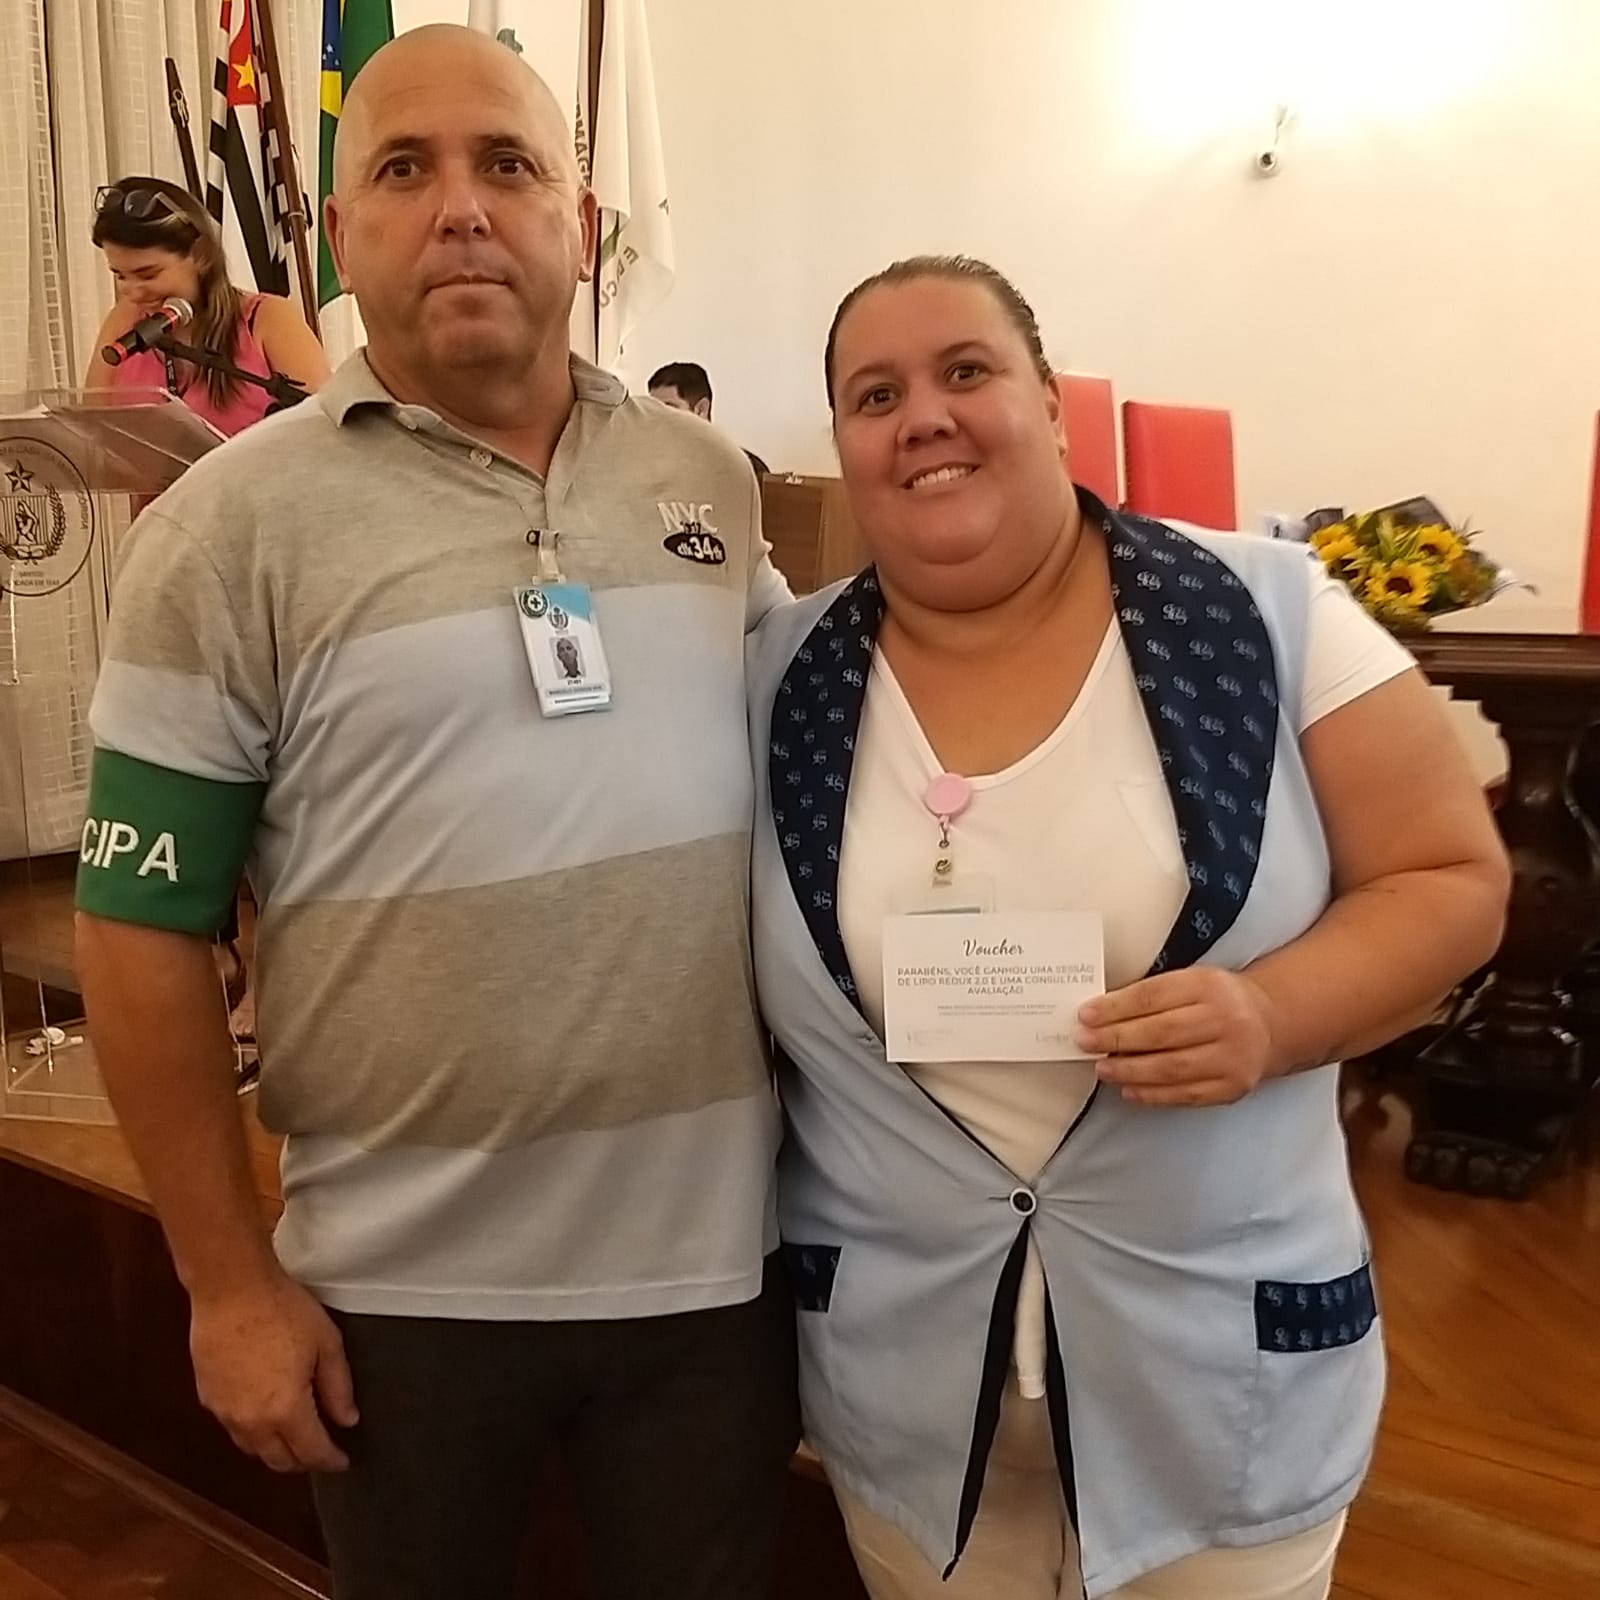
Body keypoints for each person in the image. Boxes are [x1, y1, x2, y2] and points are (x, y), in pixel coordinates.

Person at [75, 26, 795, 1600]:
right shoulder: (224, 531)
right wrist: (226, 1285)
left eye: (507, 164)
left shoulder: (710, 485)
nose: (462, 206)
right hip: (397, 1301)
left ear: (579, 221)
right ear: (343, 236)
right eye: (406, 168)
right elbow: (136, 925)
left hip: (711, 1278)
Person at [747, 257, 1509, 1600]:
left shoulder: (1270, 613)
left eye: (965, 371)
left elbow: (1450, 878)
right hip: (906, 1386)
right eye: (875, 395)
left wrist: (1271, 1014)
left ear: (1048, 403)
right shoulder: (774, 675)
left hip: (1217, 1380)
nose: (923, 416)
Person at [85, 176, 329, 432]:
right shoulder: (125, 319)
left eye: (148, 275)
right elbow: (91, 430)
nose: (133, 292)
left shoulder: (268, 318)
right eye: (120, 275)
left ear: (200, 255)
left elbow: (325, 429)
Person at [648, 359, 771, 477]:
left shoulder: (746, 468)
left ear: (701, 409)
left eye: (668, 408)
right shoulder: (650, 469)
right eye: (652, 409)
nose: (656, 418)